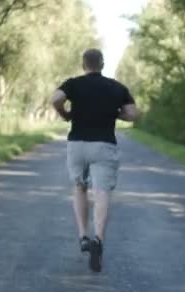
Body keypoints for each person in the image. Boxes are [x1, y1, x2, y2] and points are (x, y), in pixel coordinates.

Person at [50, 48, 140, 272]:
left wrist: (65, 114)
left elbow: (56, 99)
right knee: (102, 193)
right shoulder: (116, 87)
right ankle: (98, 239)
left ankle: (83, 236)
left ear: (84, 65)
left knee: (79, 188)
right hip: (104, 145)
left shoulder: (74, 83)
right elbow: (133, 114)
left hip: (77, 144)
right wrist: (115, 112)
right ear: (102, 64)